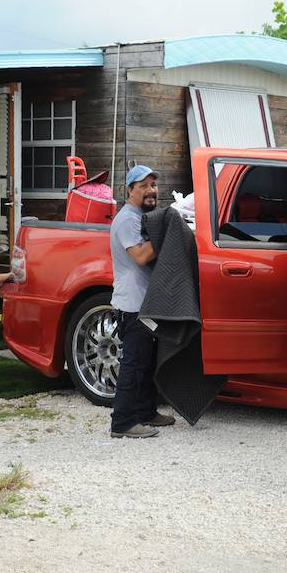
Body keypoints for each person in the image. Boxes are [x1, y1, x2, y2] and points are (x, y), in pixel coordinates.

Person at [108, 165, 176, 438]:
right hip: (131, 304)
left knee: (147, 362)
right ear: (130, 191)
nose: (151, 190)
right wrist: (168, 226)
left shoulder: (143, 217)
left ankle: (146, 412)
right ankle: (122, 423)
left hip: (145, 303)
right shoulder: (128, 219)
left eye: (154, 185)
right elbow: (140, 256)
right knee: (134, 364)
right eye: (143, 186)